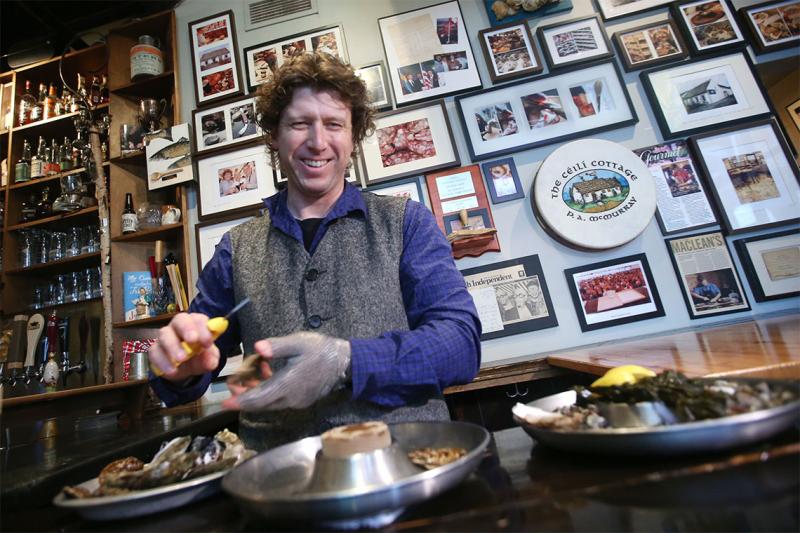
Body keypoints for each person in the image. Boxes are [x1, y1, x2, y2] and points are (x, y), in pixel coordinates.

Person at [148, 52, 481, 450]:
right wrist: (178, 371)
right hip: (278, 479)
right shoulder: (236, 249)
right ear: (274, 135)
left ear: (353, 136)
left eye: (334, 124)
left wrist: (346, 360)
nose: (317, 141)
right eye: (300, 124)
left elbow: (460, 344)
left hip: (410, 461)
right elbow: (190, 369)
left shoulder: (407, 222)